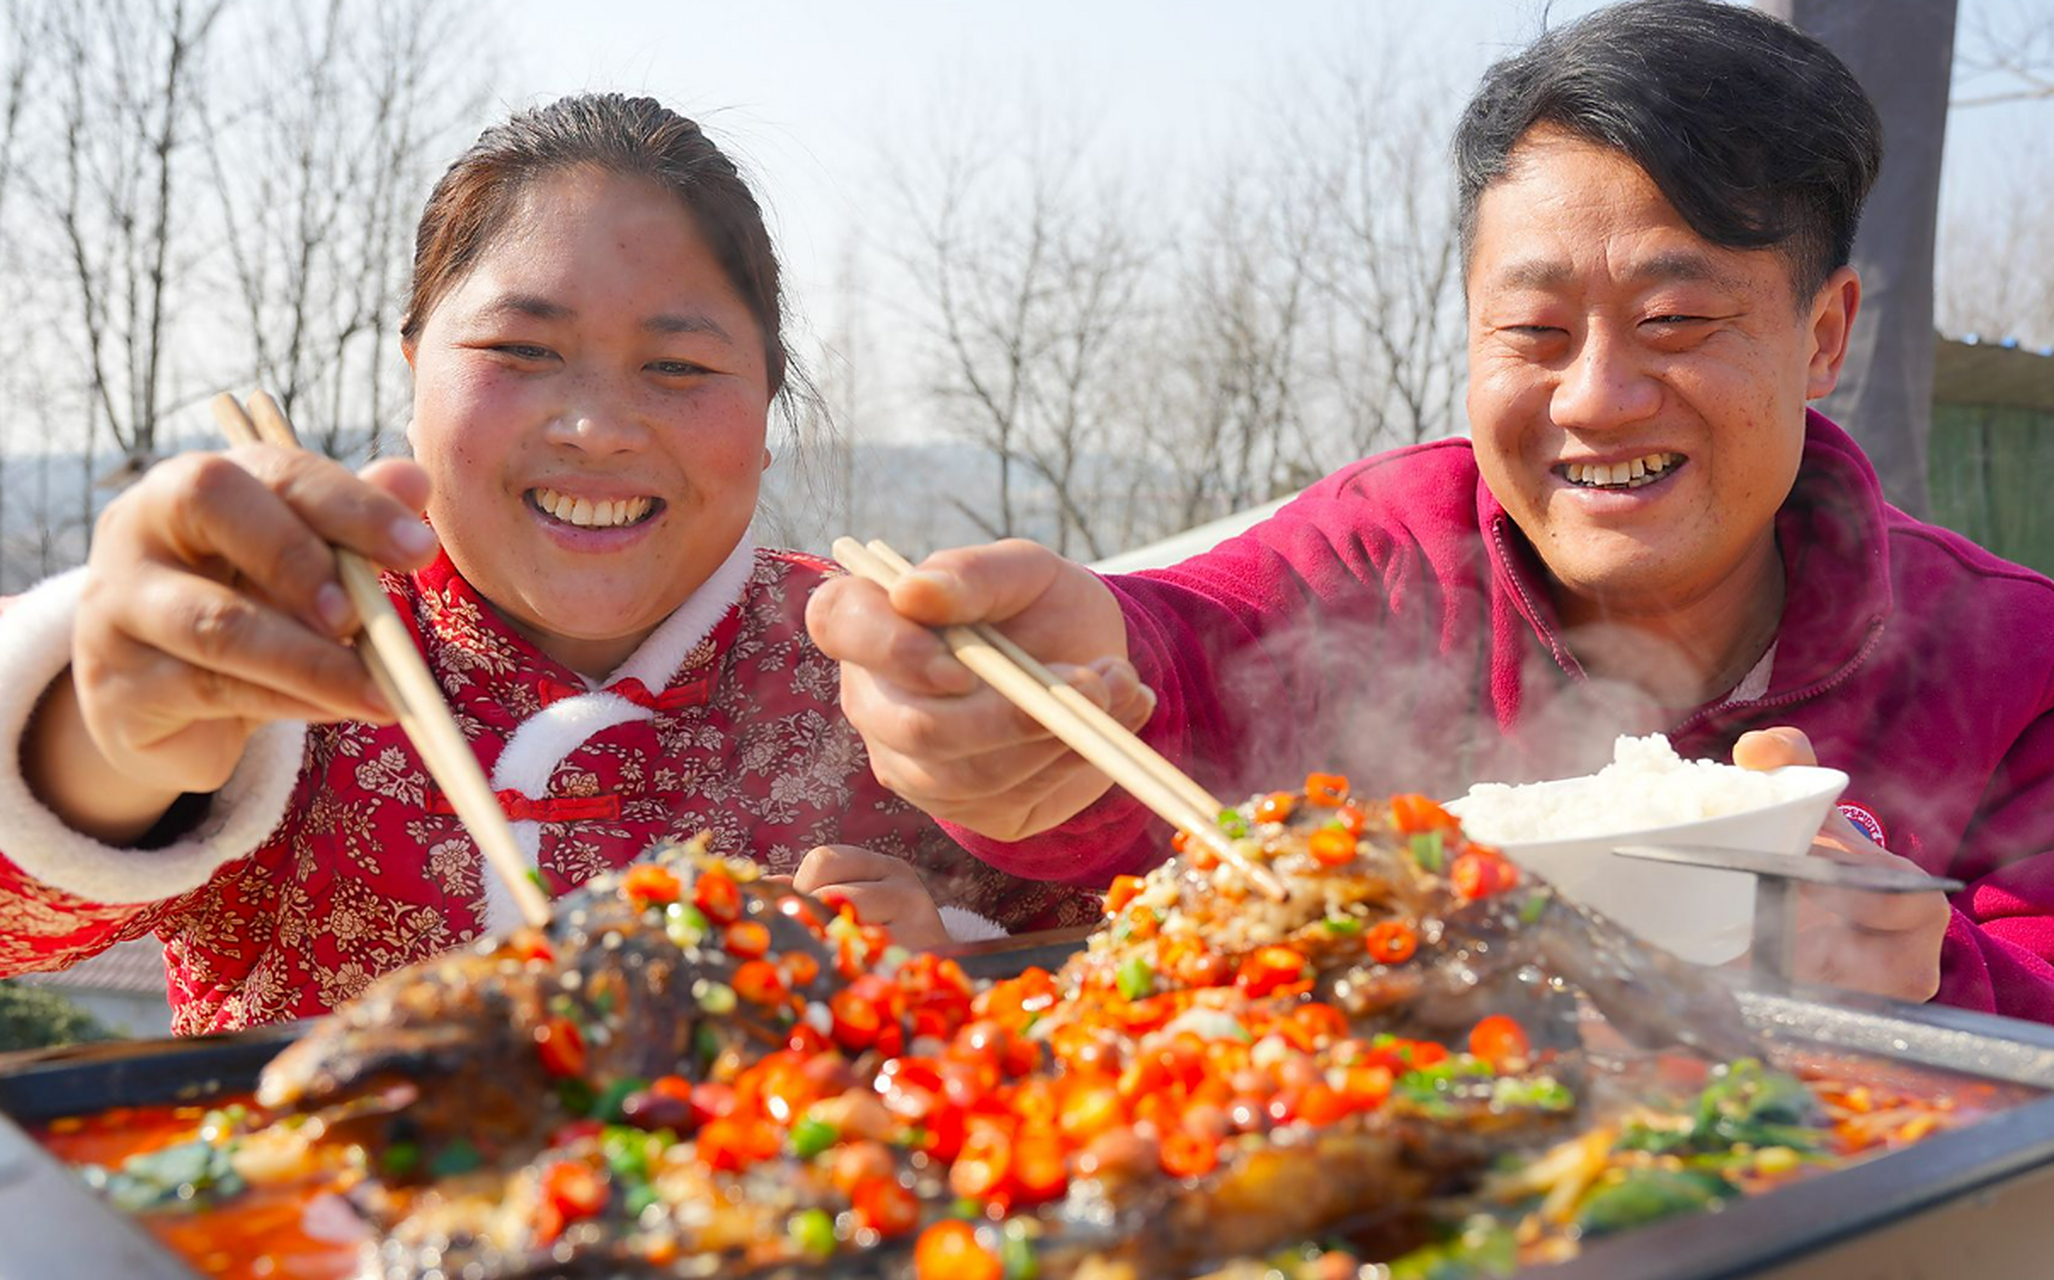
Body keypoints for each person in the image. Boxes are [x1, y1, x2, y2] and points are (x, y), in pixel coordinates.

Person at [808, 0, 2054, 1020]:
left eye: (1674, 320)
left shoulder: (2013, 660)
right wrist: (1036, 710)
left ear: (1823, 333)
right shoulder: (1385, 554)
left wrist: (1931, 973)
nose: (1595, 397)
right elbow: (1170, 662)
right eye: (1532, 330)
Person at [0, 94, 1090, 1034]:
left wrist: (956, 974)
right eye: (521, 350)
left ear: (767, 407)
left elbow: (1119, 983)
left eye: (678, 365)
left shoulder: (901, 677)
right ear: (414, 370)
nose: (596, 428)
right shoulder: (289, 649)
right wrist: (103, 731)